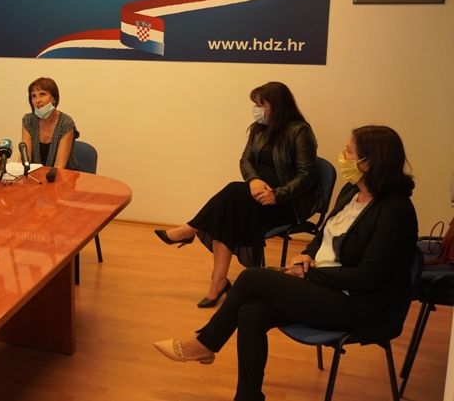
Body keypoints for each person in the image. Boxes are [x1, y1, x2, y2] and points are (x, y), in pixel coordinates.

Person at [153, 125, 418, 401]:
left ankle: (205, 343)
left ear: (368, 162)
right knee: (251, 312)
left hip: (360, 305)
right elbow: (324, 234)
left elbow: (367, 277)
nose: (343, 155)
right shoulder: (352, 190)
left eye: (349, 151)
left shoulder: (395, 210)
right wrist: (307, 255)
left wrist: (308, 275)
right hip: (327, 286)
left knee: (252, 277)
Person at [154, 81, 321, 307]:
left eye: (261, 105)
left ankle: (191, 232)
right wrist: (253, 180)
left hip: (288, 203)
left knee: (231, 198)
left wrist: (277, 195)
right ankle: (217, 282)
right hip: (256, 196)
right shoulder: (259, 128)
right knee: (228, 211)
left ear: (278, 106)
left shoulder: (299, 131)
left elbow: (306, 176)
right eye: (255, 104)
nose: (256, 109)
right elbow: (246, 160)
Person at [21, 77, 79, 170]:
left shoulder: (66, 123)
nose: (37, 100)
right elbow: (24, 158)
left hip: (61, 175)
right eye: (34, 96)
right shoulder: (28, 120)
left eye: (42, 94)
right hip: (35, 175)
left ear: (54, 98)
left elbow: (59, 166)